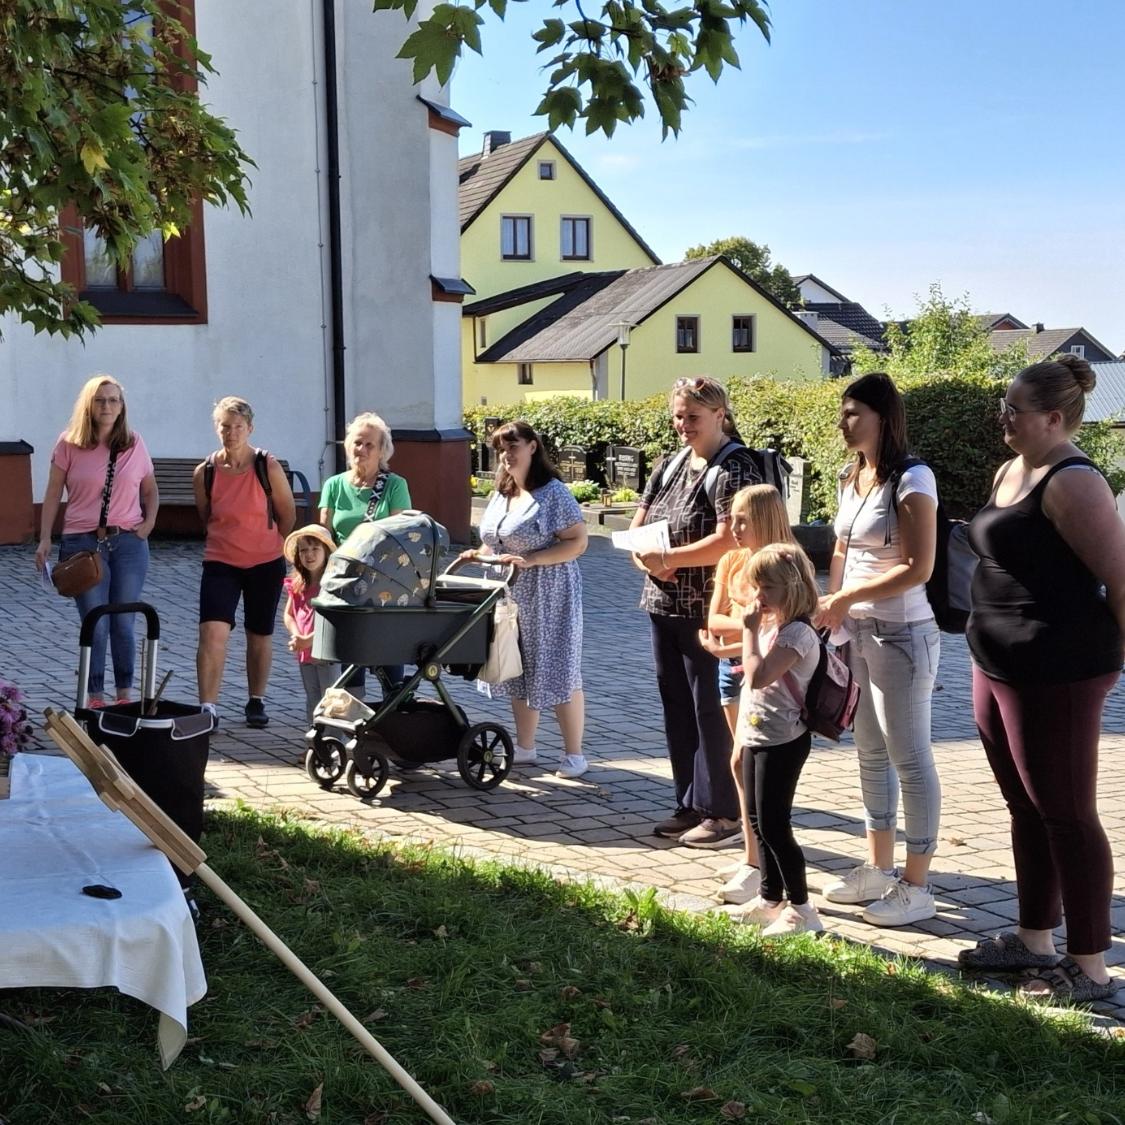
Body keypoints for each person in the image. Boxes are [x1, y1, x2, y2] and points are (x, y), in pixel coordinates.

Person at [958, 355, 1124, 1003]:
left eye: (1013, 409)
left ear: (1053, 418)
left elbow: (1117, 575)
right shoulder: (1010, 469)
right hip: (997, 662)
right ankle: (1032, 940)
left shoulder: (1073, 480)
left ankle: (1088, 966)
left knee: (1066, 813)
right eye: (1003, 404)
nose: (1003, 416)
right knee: (1023, 806)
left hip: (1058, 668)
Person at [815, 372, 942, 927]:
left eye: (853, 414)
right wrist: (834, 602)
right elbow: (840, 548)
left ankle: (917, 884)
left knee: (908, 755)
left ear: (883, 419)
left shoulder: (913, 479)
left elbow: (920, 568)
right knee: (868, 749)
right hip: (857, 632)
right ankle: (879, 868)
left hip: (903, 633)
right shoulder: (853, 475)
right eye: (842, 413)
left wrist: (847, 596)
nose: (844, 424)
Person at [629, 376, 760, 849]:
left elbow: (732, 538)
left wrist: (671, 560)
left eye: (693, 417)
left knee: (711, 712)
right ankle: (690, 802)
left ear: (720, 415)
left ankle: (723, 812)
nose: (683, 425)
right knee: (678, 711)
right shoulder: (669, 464)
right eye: (678, 416)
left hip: (711, 610)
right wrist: (643, 555)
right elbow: (638, 524)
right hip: (663, 604)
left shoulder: (734, 467)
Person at [463, 420, 589, 779]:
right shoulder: (503, 491)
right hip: (509, 593)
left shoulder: (553, 493)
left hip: (550, 593)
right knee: (516, 666)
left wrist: (532, 559)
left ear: (533, 447)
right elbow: (495, 540)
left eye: (513, 446)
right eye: (501, 449)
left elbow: (578, 542)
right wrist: (478, 554)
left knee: (557, 668)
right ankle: (526, 747)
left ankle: (574, 755)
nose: (506, 455)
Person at [36, 375, 159, 707]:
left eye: (114, 400)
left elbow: (149, 489)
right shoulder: (68, 443)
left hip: (129, 543)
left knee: (124, 620)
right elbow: (51, 493)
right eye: (101, 400)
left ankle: (124, 697)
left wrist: (148, 523)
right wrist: (45, 537)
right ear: (88, 405)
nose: (107, 406)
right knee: (97, 622)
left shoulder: (134, 442)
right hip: (82, 544)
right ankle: (94, 697)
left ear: (122, 407)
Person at [701, 484, 796, 904]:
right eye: (732, 518)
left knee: (747, 760)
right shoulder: (731, 560)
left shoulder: (786, 562)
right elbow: (714, 618)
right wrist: (746, 627)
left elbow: (782, 622)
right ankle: (751, 856)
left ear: (767, 519)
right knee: (739, 764)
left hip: (768, 676)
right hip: (731, 669)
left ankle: (760, 866)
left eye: (744, 520)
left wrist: (741, 631)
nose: (734, 528)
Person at [728, 543, 825, 935]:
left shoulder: (798, 633)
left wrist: (748, 631)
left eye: (767, 587)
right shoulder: (776, 625)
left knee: (775, 825)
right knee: (756, 820)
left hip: (783, 741)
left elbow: (759, 675)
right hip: (758, 732)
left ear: (792, 586)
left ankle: (802, 908)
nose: (759, 596)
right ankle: (770, 897)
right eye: (756, 586)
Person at [194, 397, 295, 729]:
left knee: (259, 633)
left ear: (249, 429)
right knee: (212, 631)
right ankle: (208, 707)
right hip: (221, 560)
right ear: (216, 428)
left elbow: (287, 514)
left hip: (265, 561)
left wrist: (267, 542)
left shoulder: (267, 466)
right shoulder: (206, 472)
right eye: (225, 426)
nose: (231, 432)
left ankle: (256, 699)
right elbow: (206, 516)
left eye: (238, 427)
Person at [319, 412, 411, 694]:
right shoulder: (334, 485)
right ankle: (353, 714)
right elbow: (324, 536)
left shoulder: (395, 486)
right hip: (345, 583)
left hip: (386, 583)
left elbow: (403, 536)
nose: (362, 449)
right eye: (357, 443)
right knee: (350, 654)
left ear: (383, 450)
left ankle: (394, 713)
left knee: (388, 652)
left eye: (370, 444)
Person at [282, 524, 340, 726]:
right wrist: (297, 636)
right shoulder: (298, 584)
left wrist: (308, 640)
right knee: (312, 698)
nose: (309, 555)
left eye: (315, 549)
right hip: (304, 653)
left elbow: (333, 622)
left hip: (325, 653)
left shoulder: (330, 586)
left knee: (330, 698)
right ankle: (314, 740)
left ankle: (334, 740)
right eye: (304, 550)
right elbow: (289, 614)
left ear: (326, 552)